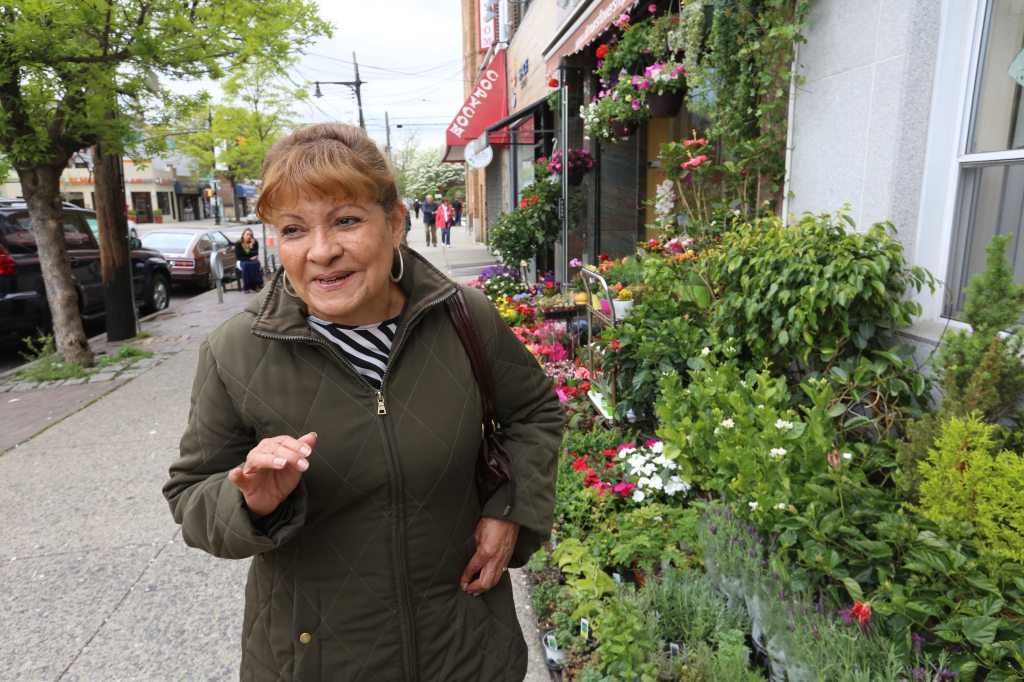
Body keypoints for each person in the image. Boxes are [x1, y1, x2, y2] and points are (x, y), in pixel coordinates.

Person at [163, 123, 563, 681]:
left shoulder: (464, 318)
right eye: (294, 229)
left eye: (346, 220)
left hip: (466, 646)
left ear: (395, 222)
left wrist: (509, 511)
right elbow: (191, 495)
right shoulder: (236, 351)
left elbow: (535, 413)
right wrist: (250, 501)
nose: (322, 251)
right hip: (317, 660)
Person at [234, 227, 263, 293]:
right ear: (243, 235)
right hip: (241, 261)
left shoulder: (255, 243)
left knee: (256, 264)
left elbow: (255, 255)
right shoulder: (238, 244)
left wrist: (252, 246)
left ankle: (257, 285)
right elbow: (238, 257)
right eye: (247, 234)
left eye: (250, 235)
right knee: (246, 265)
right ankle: (246, 286)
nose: (249, 236)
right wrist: (249, 258)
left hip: (252, 261)